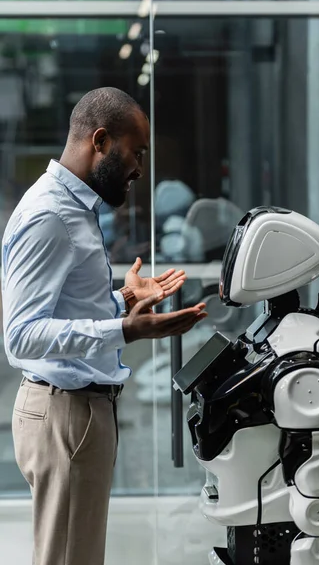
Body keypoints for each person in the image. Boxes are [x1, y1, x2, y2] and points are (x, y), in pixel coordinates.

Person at [1, 87, 207, 565]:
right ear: (100, 141)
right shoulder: (51, 215)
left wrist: (125, 298)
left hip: (76, 413)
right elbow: (22, 334)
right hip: (65, 415)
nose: (139, 168)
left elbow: (68, 307)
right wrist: (128, 330)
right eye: (135, 153)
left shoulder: (74, 207)